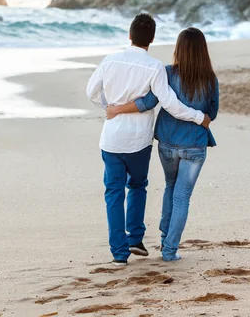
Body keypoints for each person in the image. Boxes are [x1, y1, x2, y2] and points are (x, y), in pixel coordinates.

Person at [86, 14, 211, 266]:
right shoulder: (154, 67)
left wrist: (109, 106)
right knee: (137, 186)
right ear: (151, 40)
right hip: (138, 142)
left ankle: (119, 254)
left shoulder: (109, 61)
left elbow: (91, 92)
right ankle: (136, 238)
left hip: (111, 139)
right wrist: (199, 117)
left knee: (113, 193)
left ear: (129, 35)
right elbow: (171, 104)